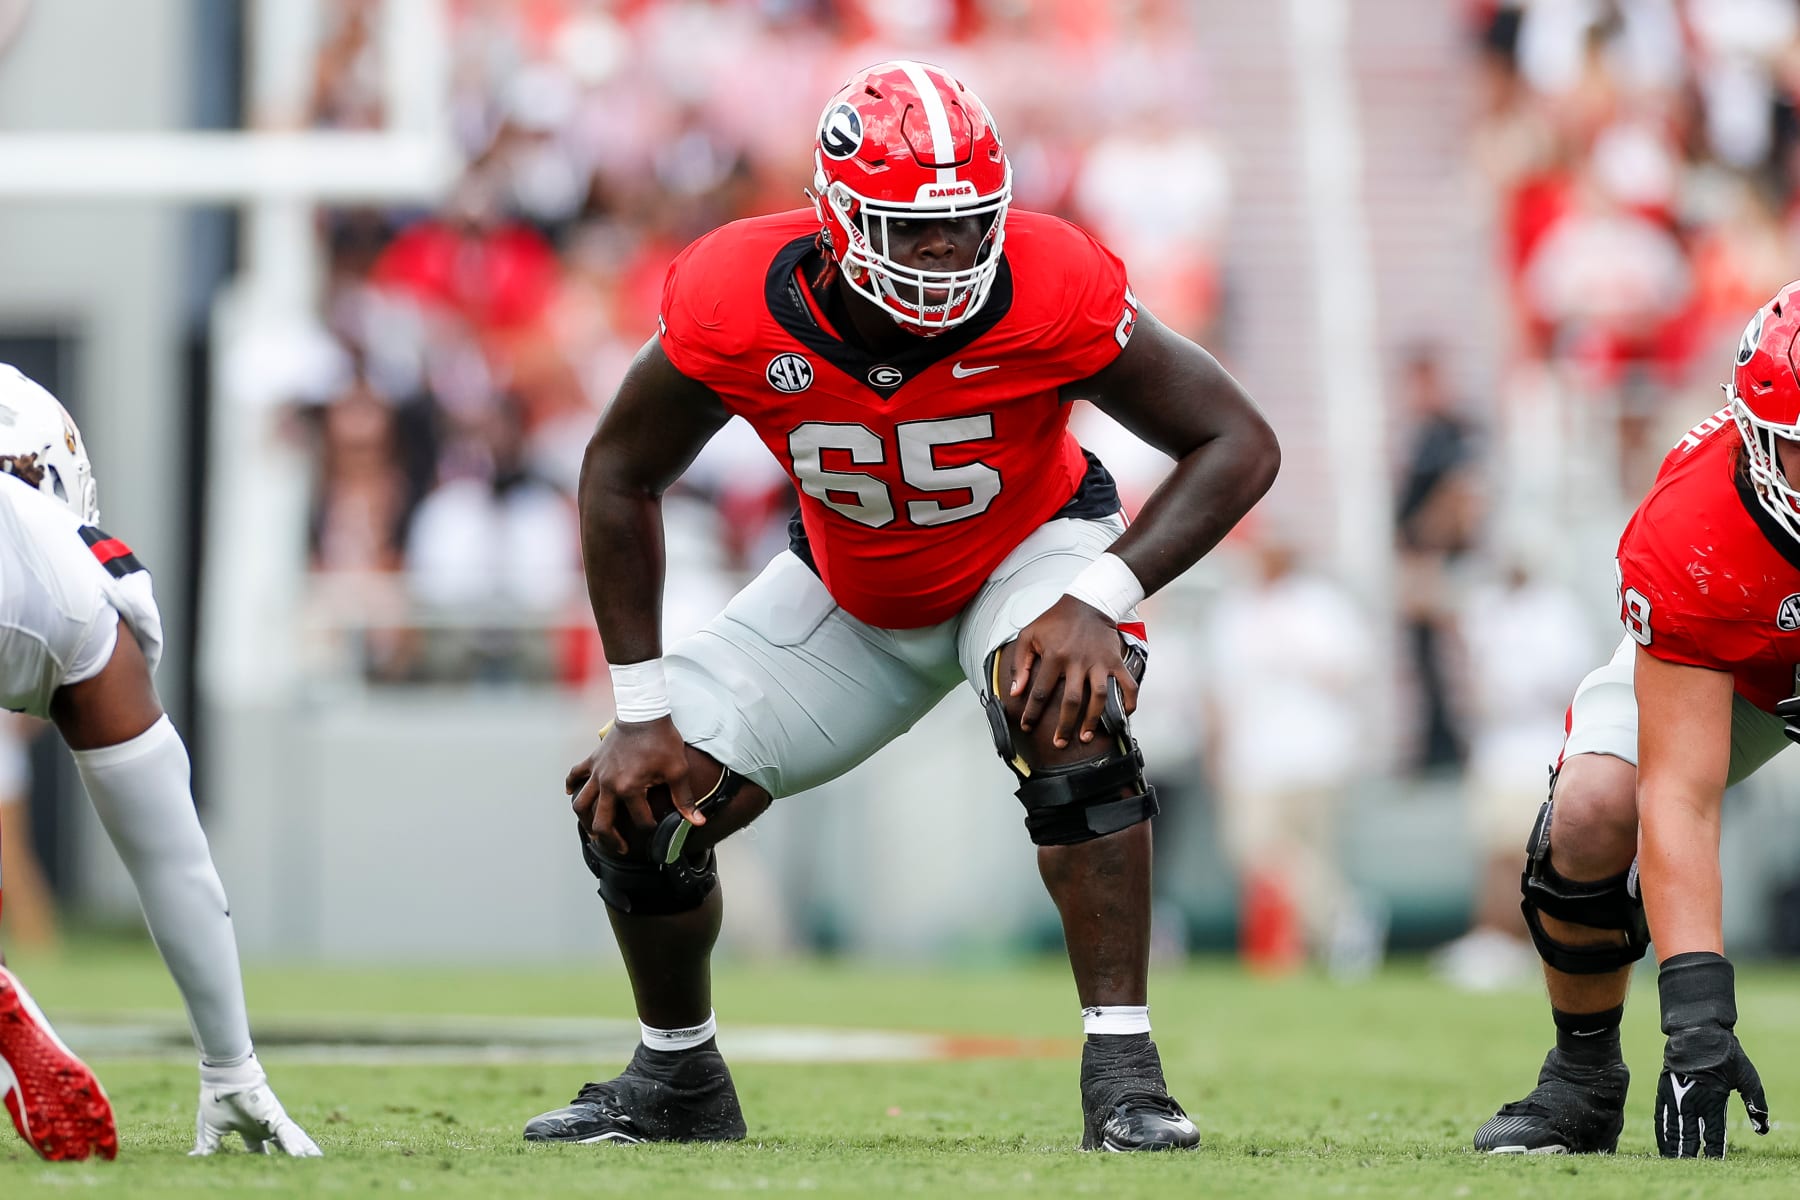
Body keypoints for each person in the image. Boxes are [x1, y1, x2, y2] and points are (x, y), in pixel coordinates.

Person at [526, 60, 1278, 1152]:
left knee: (1065, 702)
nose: (945, 255)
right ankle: (678, 1077)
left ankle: (1126, 1075)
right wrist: (639, 705)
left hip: (1029, 557)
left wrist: (1100, 595)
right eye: (911, 230)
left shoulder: (1051, 278)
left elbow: (1237, 440)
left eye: (968, 227)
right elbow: (617, 473)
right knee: (637, 791)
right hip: (852, 593)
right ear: (834, 219)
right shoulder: (737, 295)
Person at [1473, 283, 1800, 1158]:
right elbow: (1678, 797)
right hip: (1735, 666)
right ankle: (1582, 1078)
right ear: (1759, 435)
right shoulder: (1696, 526)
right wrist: (1698, 1023)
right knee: (1591, 809)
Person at [0, 365, 320, 1158]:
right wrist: (230, 1066)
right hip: (45, 597)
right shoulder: (72, 573)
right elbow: (172, 859)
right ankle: (234, 1077)